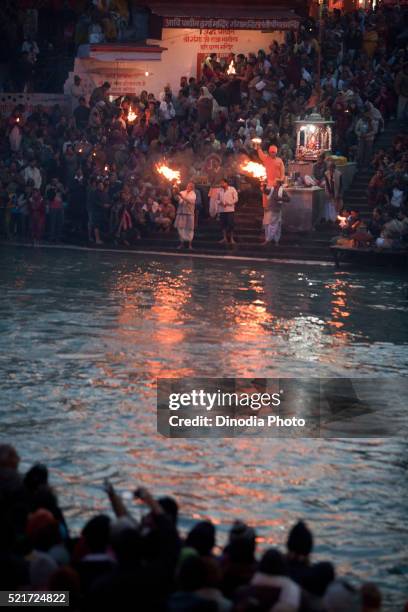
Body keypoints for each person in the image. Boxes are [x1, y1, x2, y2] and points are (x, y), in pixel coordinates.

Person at [261, 178, 290, 246]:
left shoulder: (282, 191)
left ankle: (271, 240)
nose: (273, 183)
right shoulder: (272, 189)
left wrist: (280, 198)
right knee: (267, 225)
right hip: (269, 209)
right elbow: (265, 191)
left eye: (275, 182)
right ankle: (270, 239)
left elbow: (288, 199)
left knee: (275, 225)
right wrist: (264, 185)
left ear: (278, 184)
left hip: (276, 210)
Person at [174, 181, 196, 250]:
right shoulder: (182, 192)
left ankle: (190, 245)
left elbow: (190, 201)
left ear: (193, 188)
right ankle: (181, 244)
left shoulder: (193, 194)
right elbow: (177, 199)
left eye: (191, 186)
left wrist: (180, 195)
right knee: (181, 229)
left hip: (189, 214)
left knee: (190, 229)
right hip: (181, 213)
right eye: (188, 185)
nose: (189, 187)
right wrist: (175, 193)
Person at [217, 178, 238, 245]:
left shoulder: (232, 189)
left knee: (231, 224)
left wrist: (229, 203)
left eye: (223, 183)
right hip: (222, 210)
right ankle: (224, 238)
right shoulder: (219, 190)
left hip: (230, 210)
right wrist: (220, 203)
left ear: (226, 183)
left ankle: (231, 238)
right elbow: (217, 199)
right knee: (223, 224)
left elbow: (236, 199)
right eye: (221, 183)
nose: (221, 184)